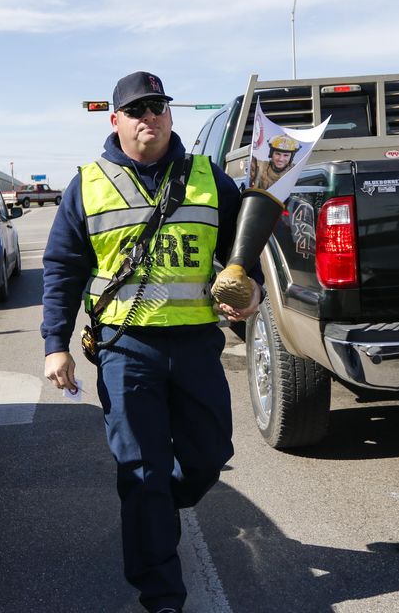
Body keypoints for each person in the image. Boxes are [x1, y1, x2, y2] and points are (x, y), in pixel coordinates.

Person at [42, 70, 263, 613]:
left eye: (158, 107)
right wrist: (56, 343)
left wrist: (251, 288)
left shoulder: (211, 178)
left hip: (195, 346)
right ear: (115, 120)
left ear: (169, 115)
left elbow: (243, 252)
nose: (149, 118)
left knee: (210, 457)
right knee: (142, 474)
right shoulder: (87, 184)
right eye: (136, 110)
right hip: (124, 348)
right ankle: (161, 592)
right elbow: (62, 267)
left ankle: (164, 504)